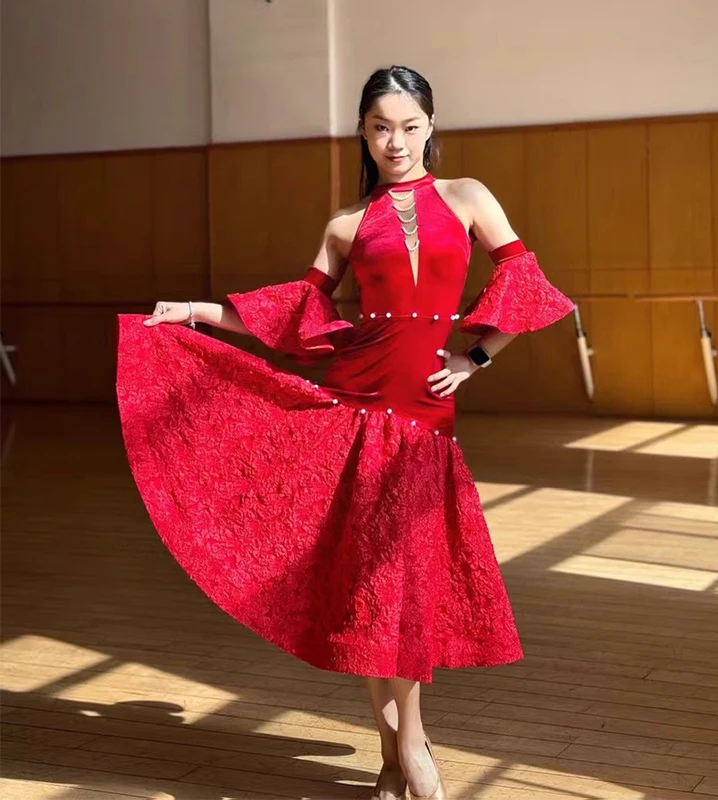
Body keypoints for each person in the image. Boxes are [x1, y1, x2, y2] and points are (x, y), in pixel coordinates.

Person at [116, 65, 574, 800]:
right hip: (354, 409)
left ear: (431, 125)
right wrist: (196, 312)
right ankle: (402, 751)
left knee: (407, 586)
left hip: (424, 420)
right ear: (363, 133)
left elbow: (524, 282)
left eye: (410, 125)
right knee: (372, 591)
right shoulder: (347, 224)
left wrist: (476, 356)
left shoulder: (468, 198)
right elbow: (295, 316)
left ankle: (403, 747)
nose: (396, 141)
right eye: (380, 128)